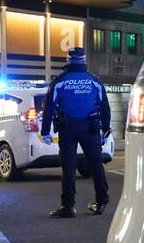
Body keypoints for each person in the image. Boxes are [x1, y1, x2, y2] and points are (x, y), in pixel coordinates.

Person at [41, 47, 111, 218]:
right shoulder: (94, 81)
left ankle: (68, 206)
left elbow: (49, 107)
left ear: (68, 60)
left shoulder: (59, 82)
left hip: (68, 128)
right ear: (84, 60)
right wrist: (106, 129)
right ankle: (101, 202)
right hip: (91, 127)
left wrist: (45, 132)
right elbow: (105, 107)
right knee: (96, 165)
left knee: (69, 167)